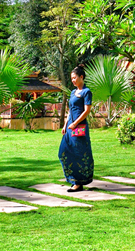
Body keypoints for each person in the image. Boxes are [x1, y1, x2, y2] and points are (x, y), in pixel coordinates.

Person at [58, 64, 93, 192]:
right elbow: (70, 110)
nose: (73, 80)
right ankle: (72, 179)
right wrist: (65, 125)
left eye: (74, 78)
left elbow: (86, 111)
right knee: (63, 152)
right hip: (69, 128)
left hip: (79, 128)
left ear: (81, 77)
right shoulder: (73, 92)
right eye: (71, 78)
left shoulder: (86, 92)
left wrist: (76, 123)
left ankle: (78, 183)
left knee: (79, 154)